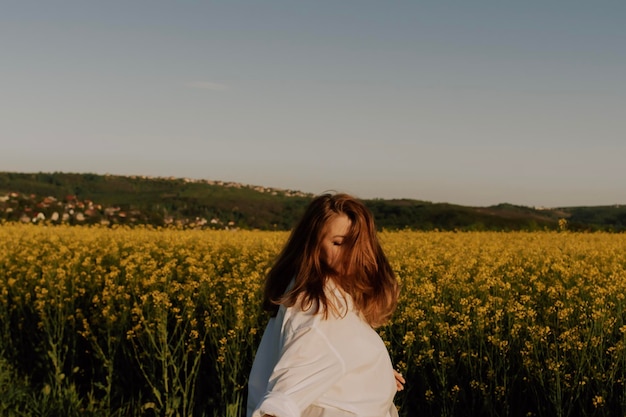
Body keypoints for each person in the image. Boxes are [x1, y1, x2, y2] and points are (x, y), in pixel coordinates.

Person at [246, 192, 404, 417]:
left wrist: (372, 370)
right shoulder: (319, 308)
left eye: (357, 243)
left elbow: (333, 352)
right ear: (312, 245)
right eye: (338, 243)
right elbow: (283, 399)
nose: (350, 254)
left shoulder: (320, 290)